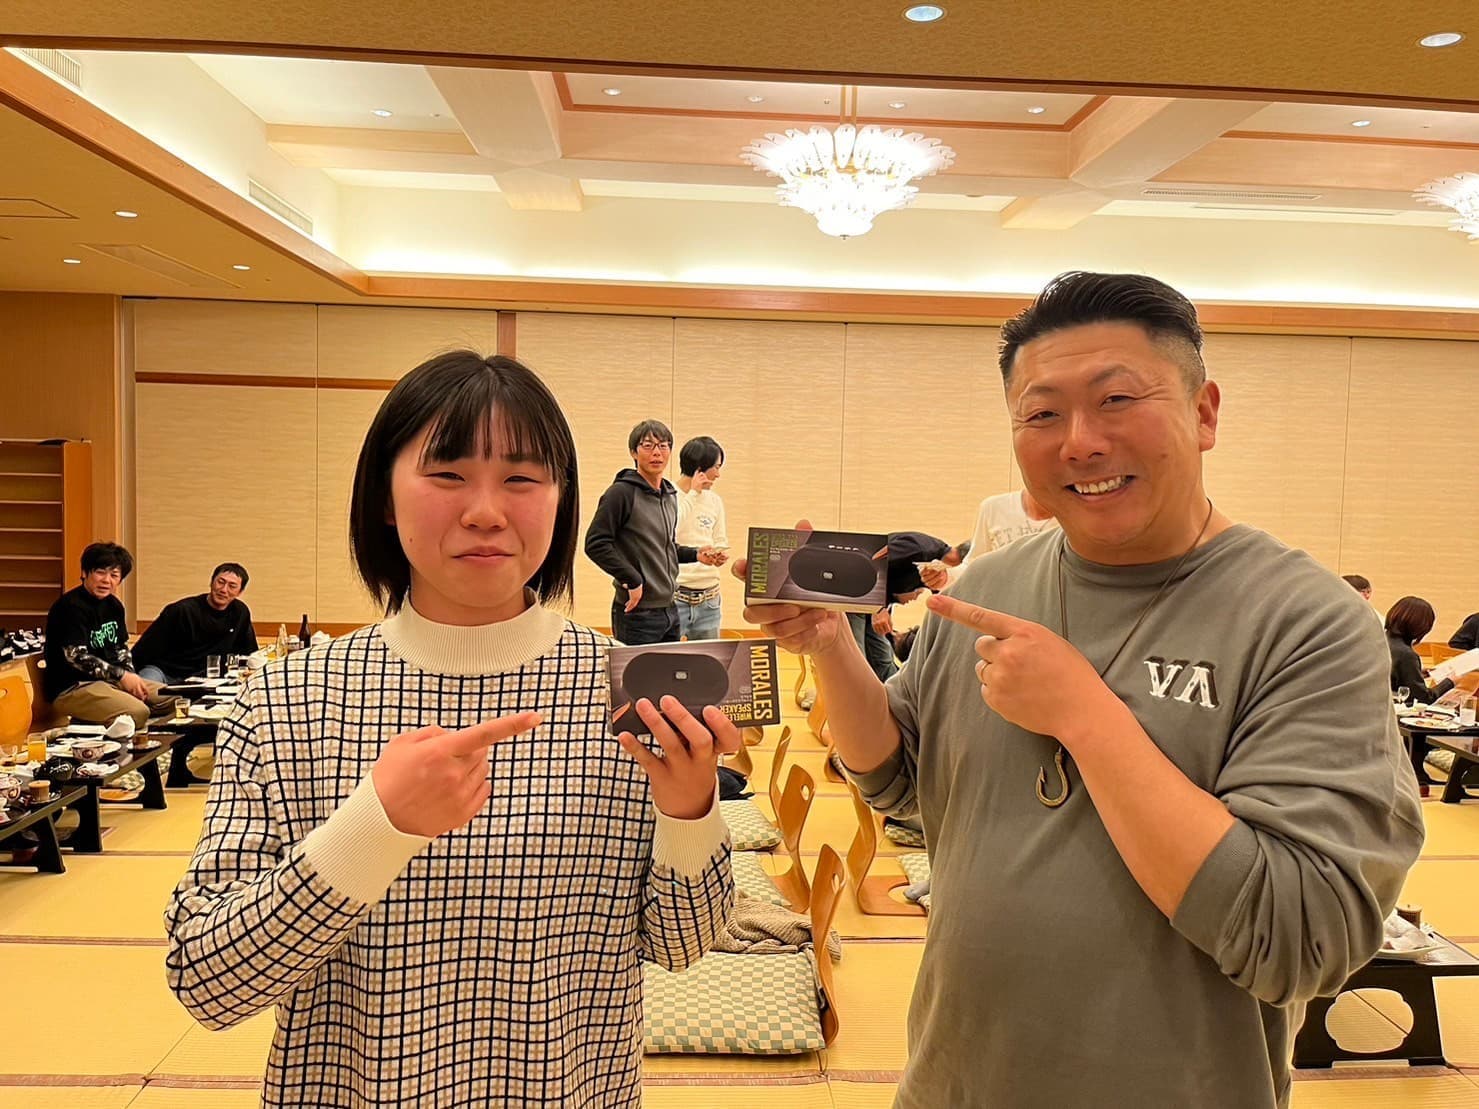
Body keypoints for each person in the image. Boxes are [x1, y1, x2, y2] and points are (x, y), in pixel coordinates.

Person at [743, 271, 1422, 1108]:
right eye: (1041, 415)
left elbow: (1298, 939)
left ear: (1204, 412)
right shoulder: (990, 584)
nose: (1079, 442)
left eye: (1116, 400)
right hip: (952, 1081)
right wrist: (831, 646)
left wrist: (1084, 713)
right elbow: (900, 779)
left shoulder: (1306, 621)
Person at [165, 353, 737, 1108]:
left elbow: (682, 944)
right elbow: (208, 980)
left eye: (522, 479)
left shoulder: (624, 692)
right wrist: (375, 825)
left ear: (561, 502)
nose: (486, 511)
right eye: (447, 475)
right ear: (384, 497)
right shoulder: (286, 698)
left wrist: (690, 809)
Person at [585, 419, 724, 644]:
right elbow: (595, 544)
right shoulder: (620, 493)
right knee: (637, 668)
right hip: (637, 611)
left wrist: (696, 554)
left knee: (670, 668)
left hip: (670, 608)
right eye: (648, 446)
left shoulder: (669, 495)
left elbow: (666, 547)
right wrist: (632, 579)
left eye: (663, 446)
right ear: (634, 452)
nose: (657, 452)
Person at [43, 542, 174, 727]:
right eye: (100, 572)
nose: (106, 580)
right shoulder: (69, 607)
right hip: (74, 687)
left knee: (178, 698)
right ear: (85, 573)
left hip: (111, 680)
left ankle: (110, 713)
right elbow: (76, 657)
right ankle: (91, 724)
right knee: (138, 712)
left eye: (114, 575)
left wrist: (130, 675)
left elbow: (121, 648)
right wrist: (122, 676)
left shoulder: (114, 605)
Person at [133, 562, 260, 684]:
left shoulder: (240, 612)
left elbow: (249, 653)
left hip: (207, 679)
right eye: (220, 582)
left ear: (240, 592)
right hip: (165, 673)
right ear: (211, 582)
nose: (223, 589)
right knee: (144, 688)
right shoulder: (181, 610)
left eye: (232, 586)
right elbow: (144, 649)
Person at [919, 489, 1055, 591]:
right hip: (1002, 609)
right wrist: (946, 577)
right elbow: (974, 565)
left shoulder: (1068, 516)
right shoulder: (994, 508)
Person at [673, 435, 730, 640]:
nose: (718, 474)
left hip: (709, 600)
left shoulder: (714, 501)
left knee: (708, 658)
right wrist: (693, 493)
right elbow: (669, 529)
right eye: (716, 467)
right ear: (700, 468)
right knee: (667, 657)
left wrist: (720, 554)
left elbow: (720, 540)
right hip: (675, 597)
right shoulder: (667, 495)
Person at [1386, 595, 1454, 704]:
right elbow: (1423, 698)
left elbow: (1391, 677)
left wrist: (1416, 673)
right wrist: (1450, 682)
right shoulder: (1406, 655)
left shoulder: (1380, 641)